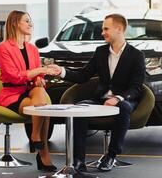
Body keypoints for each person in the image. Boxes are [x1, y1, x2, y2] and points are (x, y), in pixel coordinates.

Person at [49, 13, 145, 172]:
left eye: (106, 29)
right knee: (79, 109)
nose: (102, 33)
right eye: (103, 29)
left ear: (119, 29)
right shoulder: (100, 52)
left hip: (124, 100)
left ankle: (111, 155)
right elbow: (82, 76)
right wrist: (61, 71)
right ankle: (79, 160)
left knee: (124, 108)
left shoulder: (136, 55)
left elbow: (136, 87)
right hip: (100, 99)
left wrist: (118, 98)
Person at [0, 10, 58, 172]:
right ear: (16, 23)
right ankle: (43, 153)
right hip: (13, 93)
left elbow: (38, 74)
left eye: (31, 21)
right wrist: (39, 71)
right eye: (27, 21)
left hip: (31, 90)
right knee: (44, 108)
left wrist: (39, 77)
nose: (31, 24)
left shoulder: (32, 48)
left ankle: (35, 135)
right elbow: (14, 77)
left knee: (39, 91)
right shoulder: (4, 48)